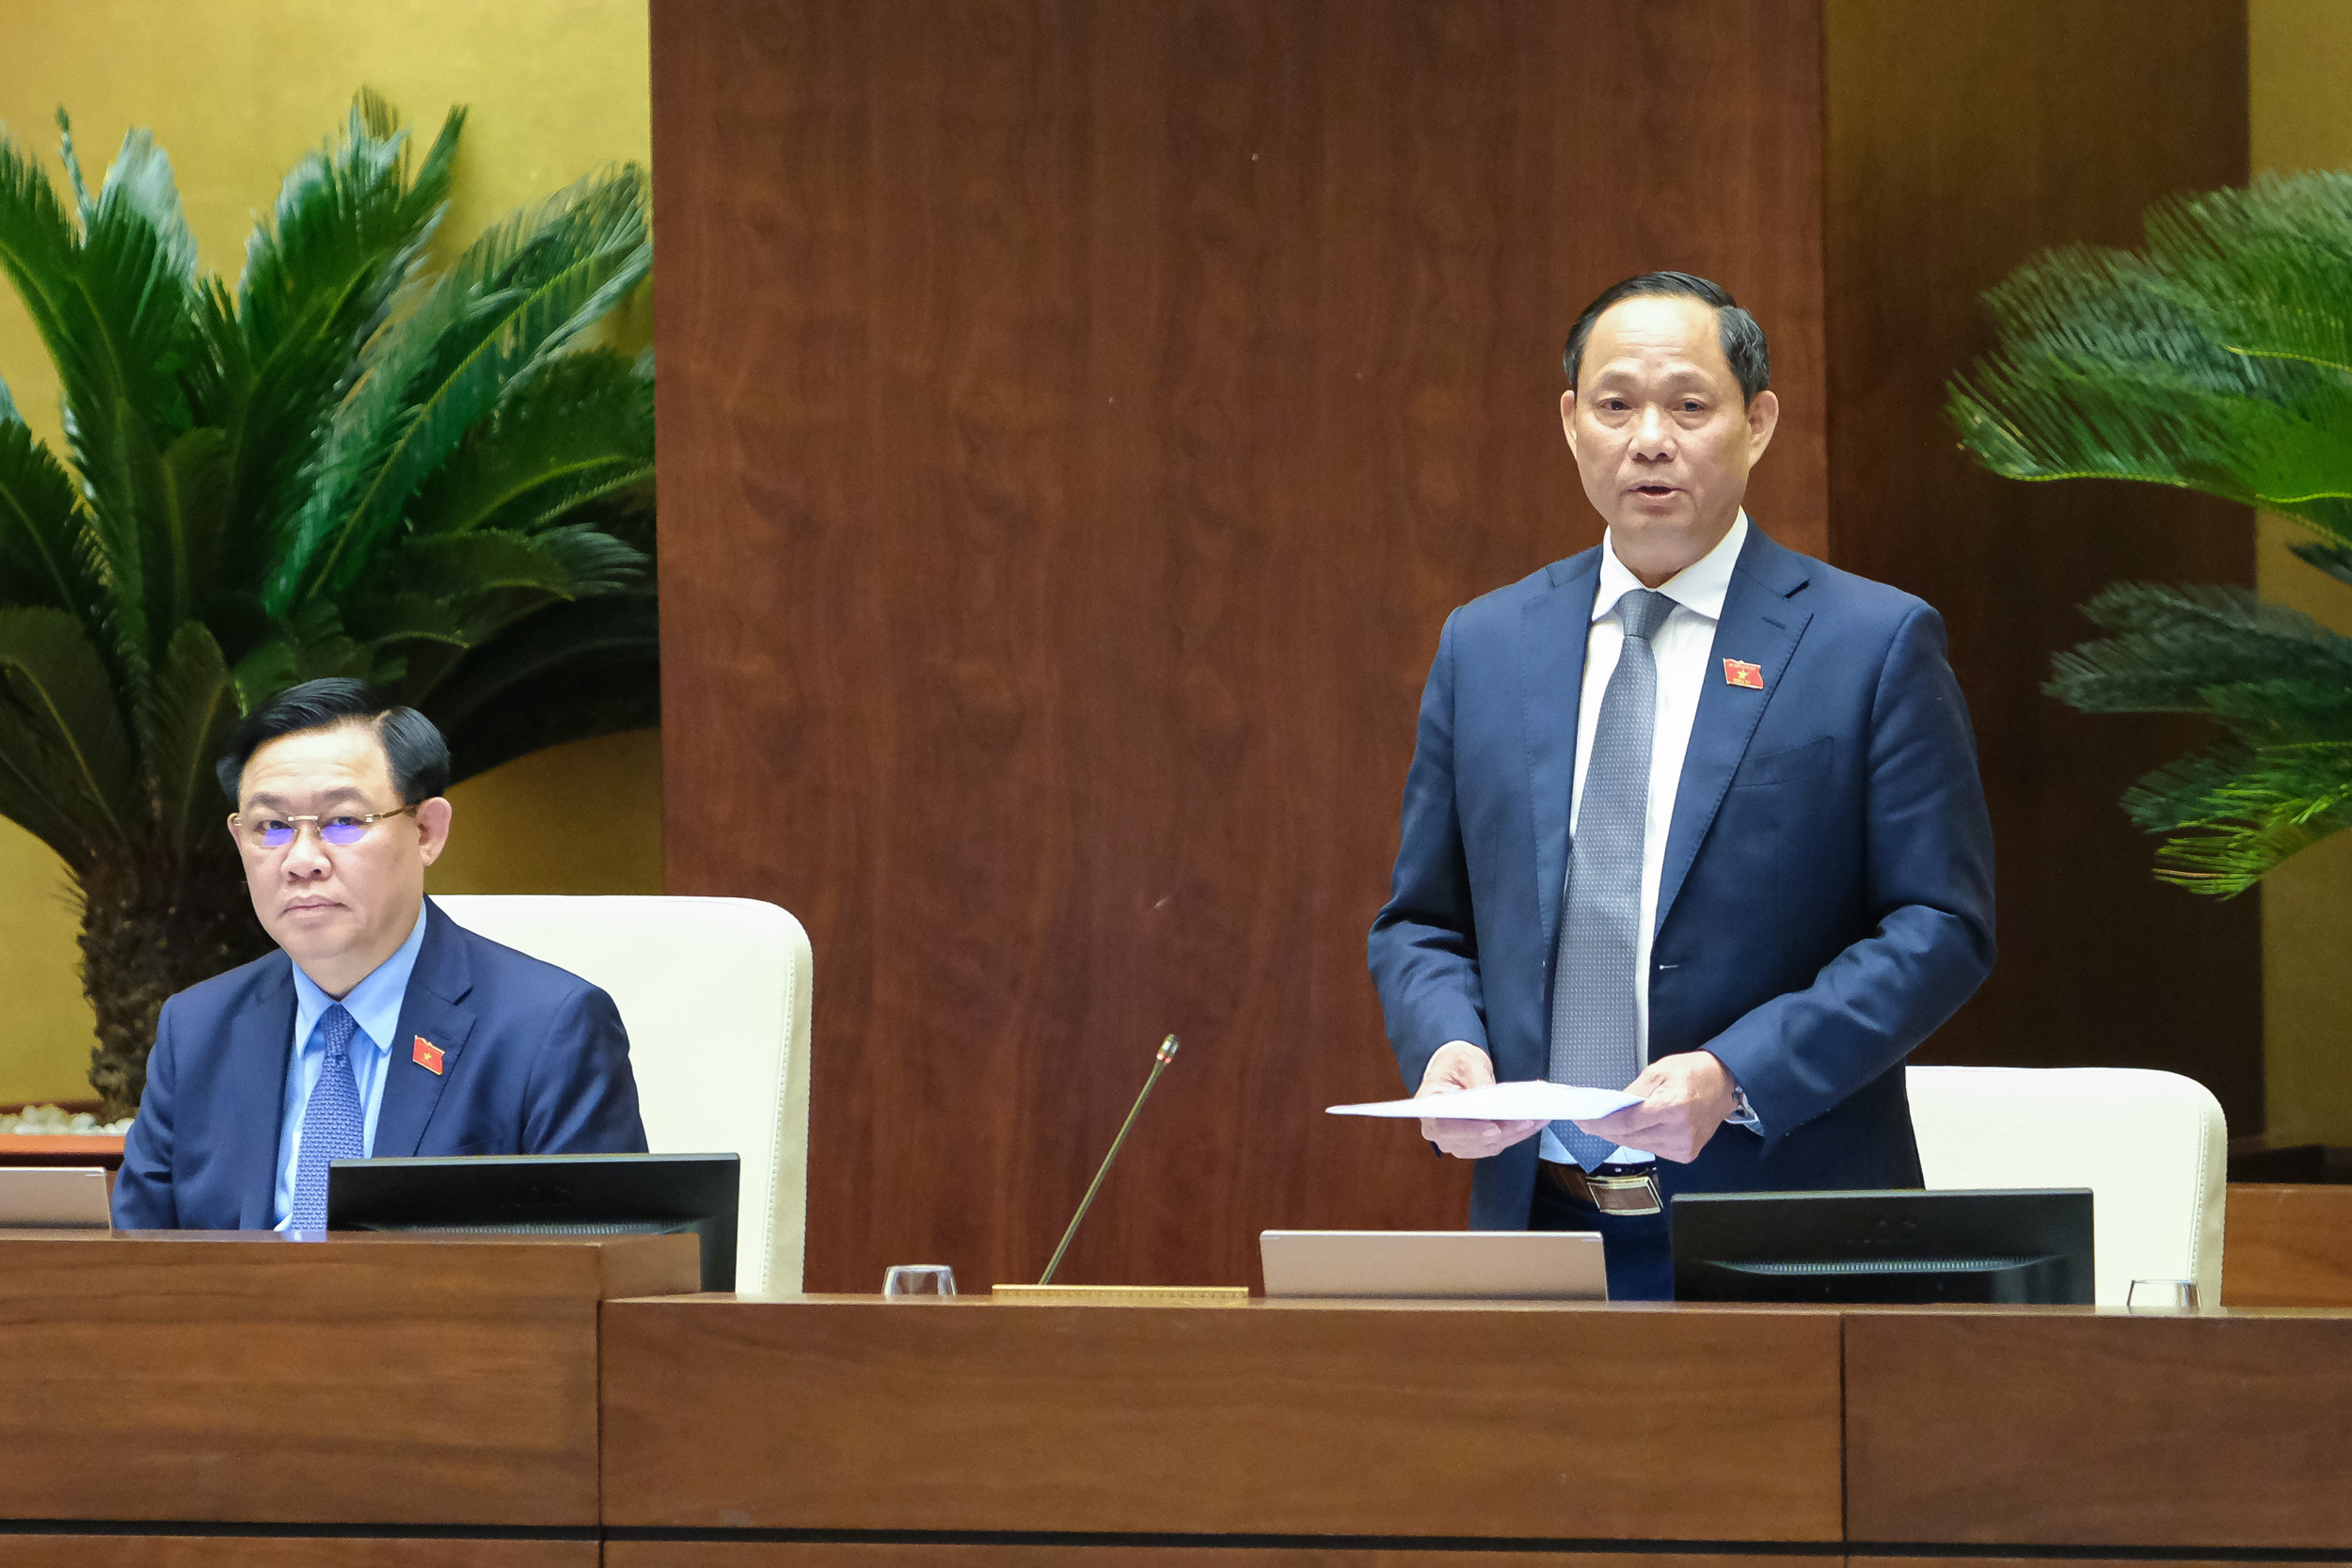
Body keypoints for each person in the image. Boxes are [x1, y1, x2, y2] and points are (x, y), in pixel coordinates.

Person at [1366, 272, 1995, 1300]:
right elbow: (1422, 922)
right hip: (1542, 1226)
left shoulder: (1870, 643)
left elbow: (1940, 924)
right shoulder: (1485, 644)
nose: (1648, 439)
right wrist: (1447, 1047)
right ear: (1571, 423)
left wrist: (1737, 1074)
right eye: (1615, 404)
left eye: (1689, 405)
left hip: (1780, 1229)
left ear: (1758, 423)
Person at [113, 680, 647, 1229]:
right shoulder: (196, 1030)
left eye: (343, 822)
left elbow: (599, 1263)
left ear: (426, 831)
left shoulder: (548, 1030)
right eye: (271, 827)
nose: (301, 861)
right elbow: (132, 1263)